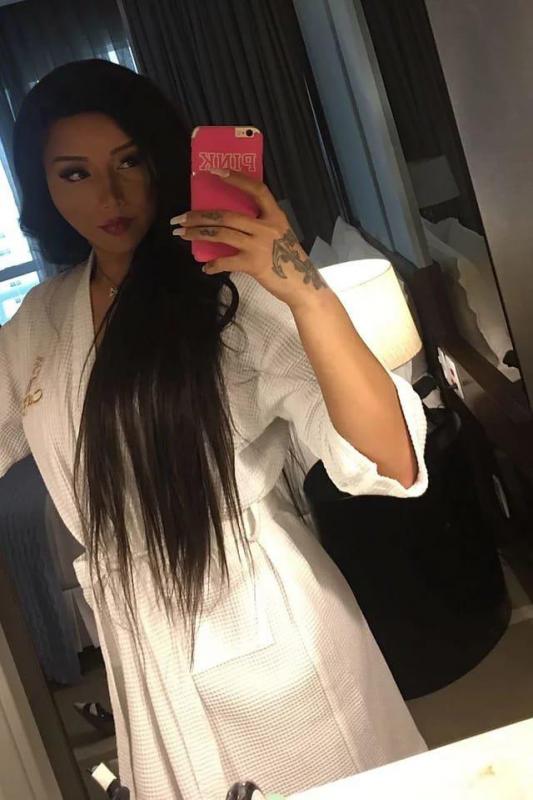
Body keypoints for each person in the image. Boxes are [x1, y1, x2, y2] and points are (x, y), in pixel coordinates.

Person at [3, 59, 429, 800]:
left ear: (163, 159)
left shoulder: (230, 291)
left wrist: (304, 290)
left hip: (265, 626)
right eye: (74, 173)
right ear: (42, 188)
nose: (109, 196)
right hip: (140, 646)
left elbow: (390, 459)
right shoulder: (42, 319)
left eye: (129, 161)